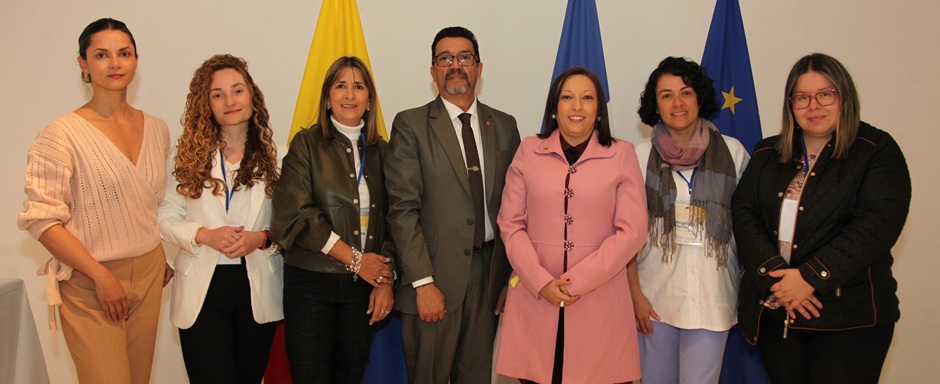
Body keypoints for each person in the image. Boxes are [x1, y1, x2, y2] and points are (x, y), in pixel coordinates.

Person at [733, 53, 911, 384]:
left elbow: (875, 226)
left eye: (825, 94)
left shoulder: (877, 150)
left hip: (850, 318)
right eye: (802, 97)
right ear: (790, 104)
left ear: (845, 96)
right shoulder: (766, 153)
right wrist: (782, 278)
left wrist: (810, 277)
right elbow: (743, 213)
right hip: (779, 310)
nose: (813, 105)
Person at [17, 18, 172, 384]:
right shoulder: (61, 133)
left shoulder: (158, 129)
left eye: (124, 53)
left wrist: (158, 252)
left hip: (149, 274)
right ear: (83, 63)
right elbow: (41, 220)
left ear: (136, 60)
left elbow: (150, 203)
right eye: (101, 55)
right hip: (91, 281)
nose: (114, 63)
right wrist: (100, 275)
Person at [384, 26, 521, 383]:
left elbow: (515, 209)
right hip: (433, 280)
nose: (455, 65)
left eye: (464, 58)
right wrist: (423, 283)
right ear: (433, 71)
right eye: (445, 59)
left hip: (489, 277)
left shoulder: (505, 126)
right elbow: (402, 210)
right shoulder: (411, 124)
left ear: (479, 67)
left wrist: (509, 279)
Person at [495, 67, 647, 384]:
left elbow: (632, 232)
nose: (577, 107)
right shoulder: (528, 150)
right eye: (567, 98)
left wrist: (573, 283)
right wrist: (541, 282)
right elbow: (510, 224)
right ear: (554, 107)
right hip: (537, 298)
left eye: (587, 98)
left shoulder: (622, 153)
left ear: (599, 110)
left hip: (600, 302)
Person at [157, 54, 283, 383]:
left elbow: (293, 223)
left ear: (252, 96)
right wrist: (203, 234)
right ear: (206, 104)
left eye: (237, 90)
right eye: (217, 94)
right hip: (202, 290)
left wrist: (262, 238)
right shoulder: (185, 156)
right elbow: (164, 216)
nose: (229, 101)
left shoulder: (280, 157)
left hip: (257, 289)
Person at [271, 56, 396, 384]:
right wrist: (356, 260)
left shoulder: (384, 151)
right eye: (340, 86)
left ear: (370, 99)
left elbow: (397, 219)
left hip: (363, 288)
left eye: (358, 86)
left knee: (350, 375)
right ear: (327, 97)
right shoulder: (305, 144)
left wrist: (386, 280)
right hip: (311, 284)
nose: (349, 95)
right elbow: (295, 214)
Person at [627, 57, 750, 384]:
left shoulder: (734, 152)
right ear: (656, 104)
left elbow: (750, 226)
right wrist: (635, 296)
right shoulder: (638, 156)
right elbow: (624, 234)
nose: (677, 103)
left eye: (686, 93)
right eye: (666, 95)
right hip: (654, 297)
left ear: (700, 98)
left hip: (712, 295)